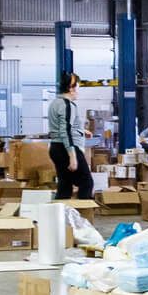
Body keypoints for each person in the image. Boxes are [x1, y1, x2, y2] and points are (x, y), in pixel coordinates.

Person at [46, 71, 94, 200]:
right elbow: (65, 130)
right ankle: (83, 216)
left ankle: (62, 217)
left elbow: (64, 126)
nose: (78, 90)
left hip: (57, 147)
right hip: (65, 148)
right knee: (86, 182)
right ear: (71, 88)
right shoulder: (67, 105)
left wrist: (82, 131)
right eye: (78, 87)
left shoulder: (56, 103)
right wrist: (72, 157)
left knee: (65, 185)